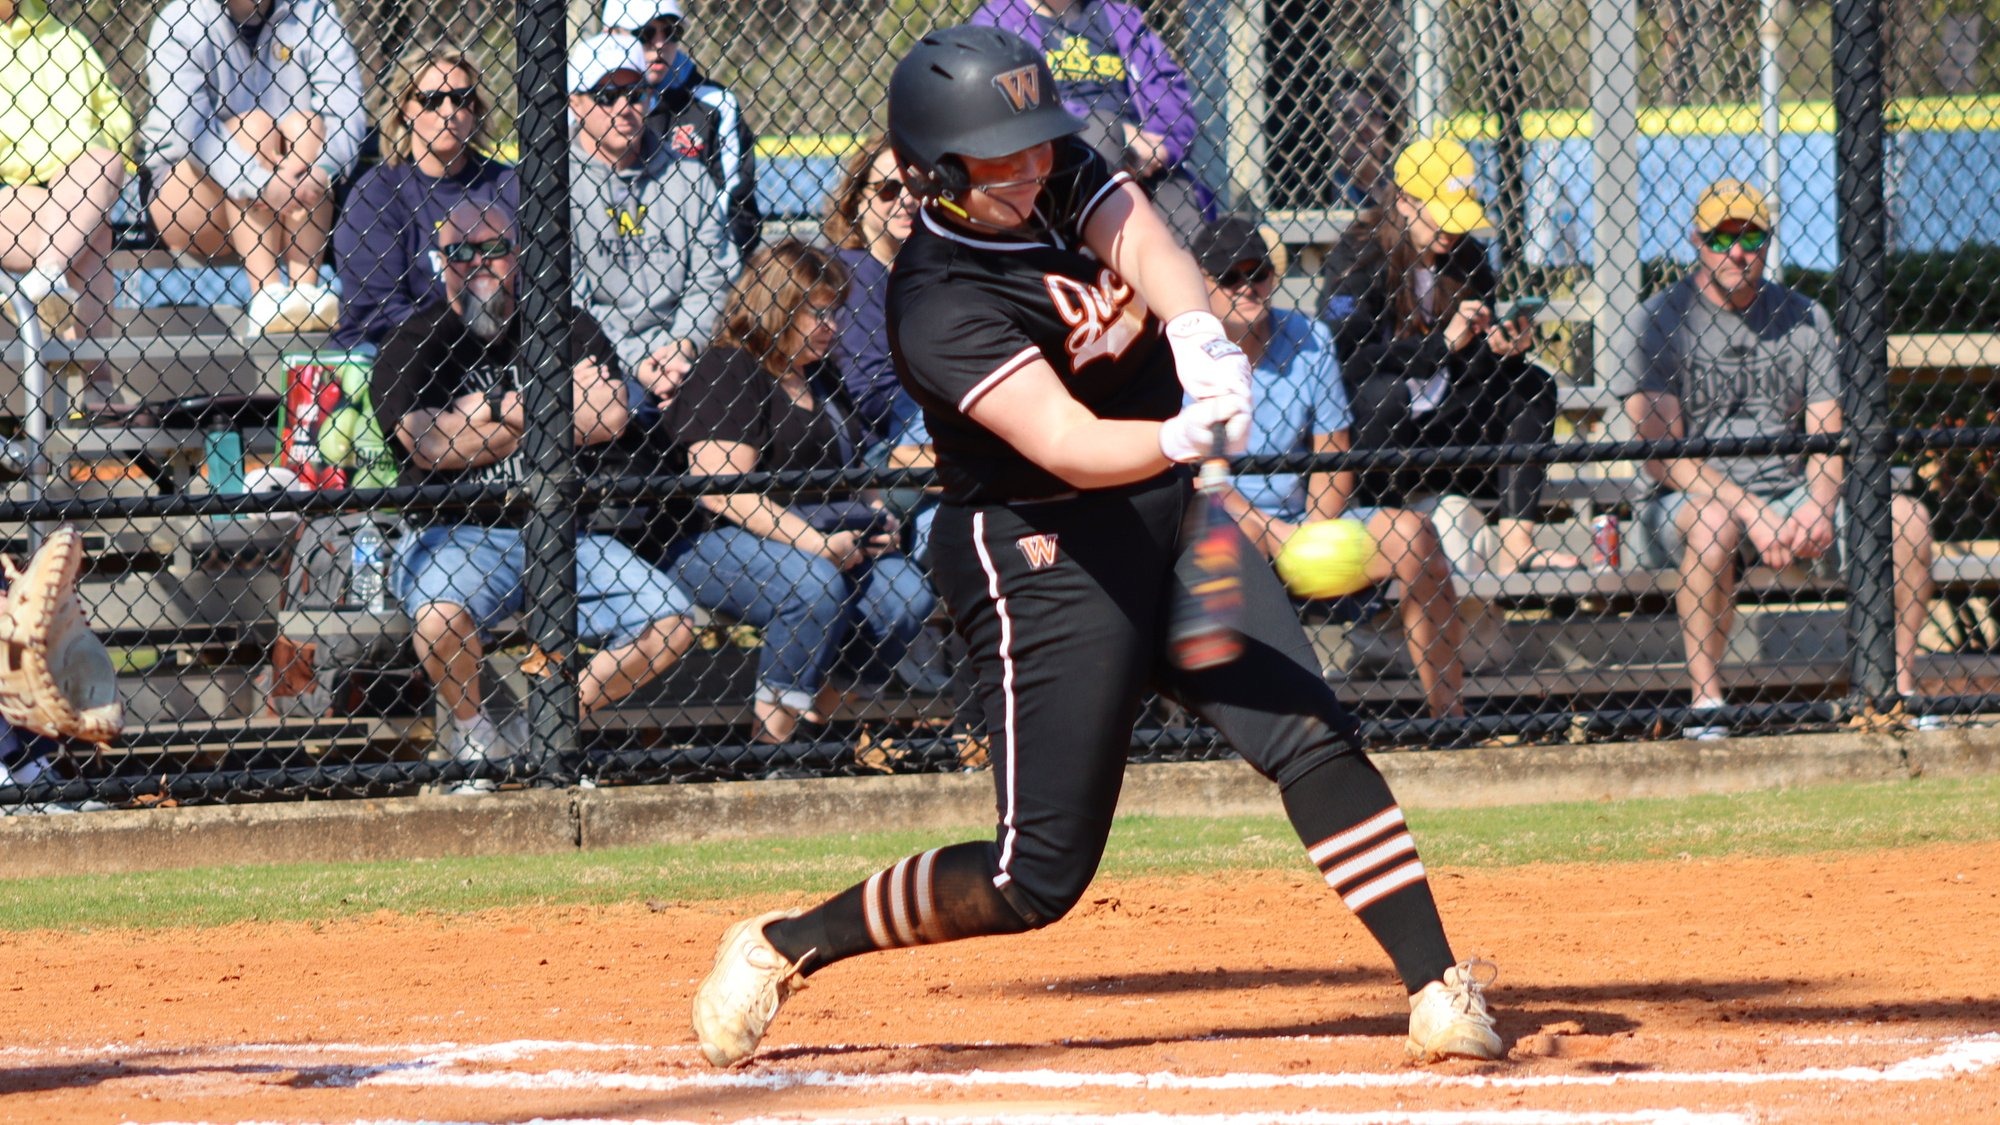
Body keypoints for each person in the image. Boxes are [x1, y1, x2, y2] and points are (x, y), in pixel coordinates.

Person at [690, 26, 1501, 1069]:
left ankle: (1435, 987)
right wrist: (1175, 432)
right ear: (939, 172)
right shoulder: (936, 302)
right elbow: (1064, 445)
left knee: (1305, 733)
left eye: (1039, 143)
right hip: (1041, 549)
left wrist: (1199, 340)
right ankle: (781, 944)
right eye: (1003, 155)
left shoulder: (1049, 163)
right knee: (1034, 878)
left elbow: (1147, 245)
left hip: (1170, 514)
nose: (1035, 165)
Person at [372, 201, 697, 792]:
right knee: (438, 614)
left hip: (566, 531)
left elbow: (609, 416)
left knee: (671, 623)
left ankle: (533, 730)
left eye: (493, 248)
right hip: (460, 530)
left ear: (518, 255)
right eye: (461, 252)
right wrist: (544, 403)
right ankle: (474, 737)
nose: (478, 264)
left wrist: (485, 416)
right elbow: (430, 446)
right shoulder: (414, 341)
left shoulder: (565, 324)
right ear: (440, 261)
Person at [1615, 180, 1938, 739]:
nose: (1737, 251)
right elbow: (1662, 458)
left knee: (1907, 520)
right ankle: (1707, 704)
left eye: (1751, 236)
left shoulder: (1804, 316)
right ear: (1696, 240)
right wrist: (1754, 513)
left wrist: (1816, 504)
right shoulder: (1659, 320)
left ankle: (1899, 692)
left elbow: (1827, 437)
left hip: (1790, 496)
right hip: (1688, 505)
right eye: (1721, 237)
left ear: (1768, 241)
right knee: (1715, 524)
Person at [635, 240, 935, 745]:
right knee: (813, 585)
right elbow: (722, 493)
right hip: (711, 543)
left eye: (835, 313)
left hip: (824, 537)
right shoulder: (728, 367)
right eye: (818, 313)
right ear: (779, 308)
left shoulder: (822, 375)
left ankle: (815, 728)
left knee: (906, 592)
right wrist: (818, 545)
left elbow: (855, 469)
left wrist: (880, 522)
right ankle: (771, 750)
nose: (832, 327)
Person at [1192, 215, 1465, 722]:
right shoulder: (1183, 353)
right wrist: (1269, 530)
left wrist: (1312, 533)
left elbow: (1333, 452)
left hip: (1303, 525)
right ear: (1201, 284)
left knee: (1414, 534)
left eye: (1258, 273)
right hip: (1224, 523)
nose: (1247, 287)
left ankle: (1450, 717)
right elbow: (1197, 480)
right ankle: (1252, 725)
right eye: (1229, 276)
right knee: (1236, 537)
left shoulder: (1308, 338)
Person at [1318, 137, 1578, 575]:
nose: (1451, 230)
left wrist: (1500, 350)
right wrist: (1439, 346)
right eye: (1440, 213)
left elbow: (1468, 366)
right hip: (1379, 436)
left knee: (1533, 384)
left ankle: (1519, 545)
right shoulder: (1357, 256)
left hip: (1450, 426)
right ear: (1403, 201)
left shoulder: (1466, 255)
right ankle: (1386, 541)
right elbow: (1347, 361)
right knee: (1384, 395)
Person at [141, 0, 365, 336]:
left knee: (306, 125)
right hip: (189, 197)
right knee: (253, 128)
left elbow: (347, 110)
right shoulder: (180, 19)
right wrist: (260, 182)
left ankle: (304, 291)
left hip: (294, 192)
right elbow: (188, 131)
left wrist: (320, 174)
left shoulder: (313, 11)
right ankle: (267, 295)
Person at [567, 32, 737, 410]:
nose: (624, 107)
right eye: (606, 96)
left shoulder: (689, 177)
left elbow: (714, 278)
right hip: (597, 361)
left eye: (636, 94)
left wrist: (682, 345)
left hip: (686, 354)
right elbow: (571, 301)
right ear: (576, 103)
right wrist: (637, 360)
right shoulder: (557, 187)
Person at [969, 0, 1212, 238]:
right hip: (1062, 150)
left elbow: (1169, 93)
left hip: (1140, 157)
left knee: (1179, 194)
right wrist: (1118, 131)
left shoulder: (1120, 17)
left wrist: (1162, 147)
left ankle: (1199, 272)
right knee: (1102, 129)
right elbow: (1012, 106)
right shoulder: (998, 20)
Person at [330, 46, 517, 350]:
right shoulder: (375, 195)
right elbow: (379, 309)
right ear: (405, 110)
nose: (448, 112)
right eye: (431, 100)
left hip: (499, 344)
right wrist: (460, 342)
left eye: (460, 98)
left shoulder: (507, 186)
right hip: (404, 354)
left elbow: (528, 286)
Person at [0, 0, 132, 370]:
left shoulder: (66, 40)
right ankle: (97, 390)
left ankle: (45, 279)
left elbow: (116, 117)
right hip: (12, 192)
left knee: (101, 166)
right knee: (92, 227)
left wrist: (79, 155)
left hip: (79, 180)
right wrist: (60, 153)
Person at [600, 0, 761, 253]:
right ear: (609, 34)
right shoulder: (582, 105)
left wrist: (693, 257)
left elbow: (738, 210)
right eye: (645, 33)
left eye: (672, 32)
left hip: (700, 261)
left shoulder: (714, 103)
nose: (661, 44)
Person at [823, 133, 924, 463]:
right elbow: (868, 386)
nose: (906, 200)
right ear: (857, 199)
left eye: (917, 187)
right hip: (874, 442)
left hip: (916, 423)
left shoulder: (920, 264)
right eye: (888, 190)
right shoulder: (848, 269)